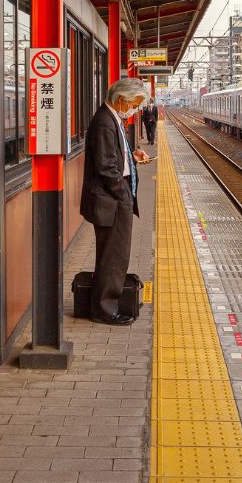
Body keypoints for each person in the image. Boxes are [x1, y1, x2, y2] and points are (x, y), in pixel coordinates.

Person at [80, 78, 153, 326]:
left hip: (114, 199)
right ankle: (104, 309)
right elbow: (105, 166)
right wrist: (122, 193)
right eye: (134, 104)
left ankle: (111, 300)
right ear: (122, 99)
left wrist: (131, 156)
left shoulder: (112, 119)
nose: (135, 109)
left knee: (115, 254)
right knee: (113, 256)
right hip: (111, 201)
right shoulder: (104, 122)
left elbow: (113, 155)